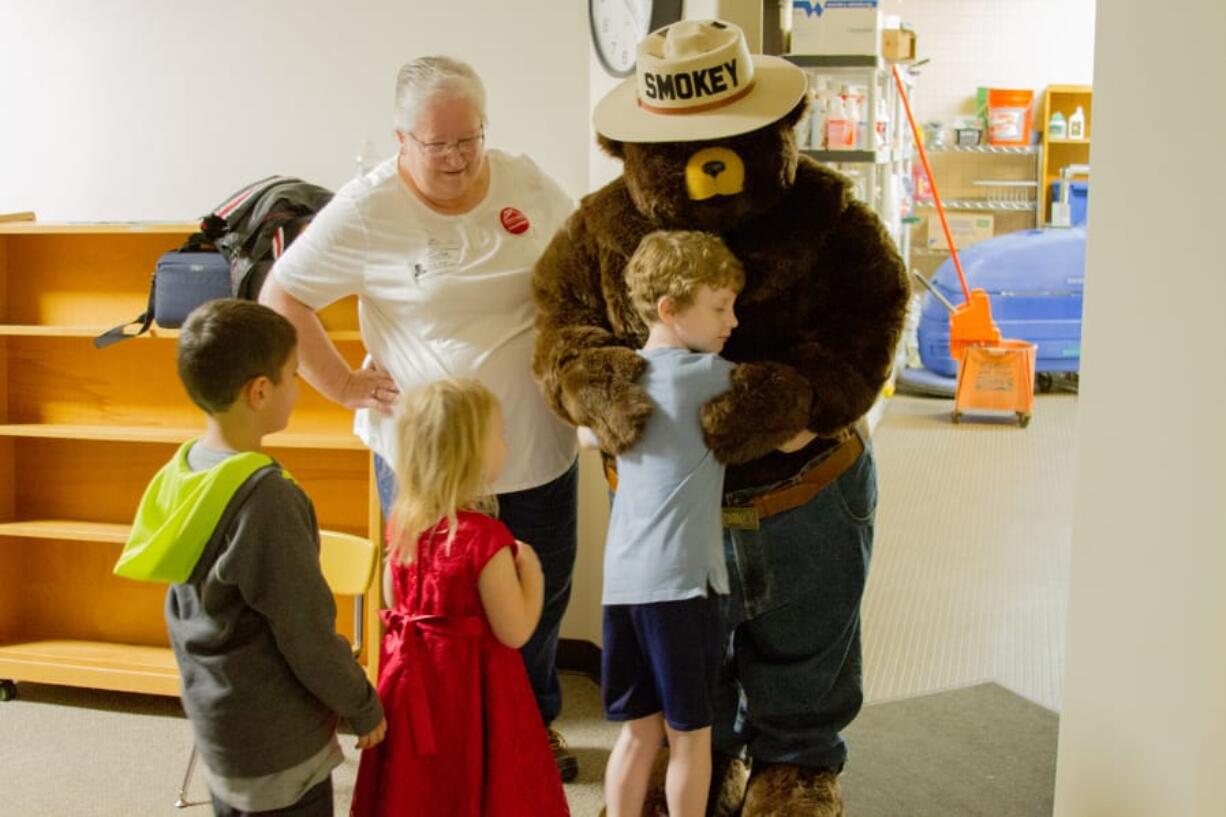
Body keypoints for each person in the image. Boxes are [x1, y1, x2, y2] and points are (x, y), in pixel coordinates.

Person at [260, 55, 581, 779]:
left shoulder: (525, 181)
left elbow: (586, 258)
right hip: (429, 462)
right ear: (400, 138)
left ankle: (532, 724)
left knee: (539, 590)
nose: (459, 159)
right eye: (438, 145)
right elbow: (284, 295)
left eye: (471, 138)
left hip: (533, 444)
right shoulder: (368, 208)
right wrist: (342, 383)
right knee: (437, 615)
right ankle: (441, 739)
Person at [118, 299, 386, 817]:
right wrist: (361, 704)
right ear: (260, 392)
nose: (298, 387)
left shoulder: (187, 469)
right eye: (293, 375)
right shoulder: (266, 497)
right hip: (277, 741)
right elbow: (305, 630)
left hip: (220, 726)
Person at [350, 379, 570, 817]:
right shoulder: (486, 541)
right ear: (470, 453)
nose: (506, 444)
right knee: (477, 775)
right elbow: (515, 631)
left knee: (416, 782)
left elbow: (395, 604)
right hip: (472, 692)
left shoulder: (403, 529)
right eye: (499, 435)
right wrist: (534, 576)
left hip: (411, 687)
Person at [584, 231, 746, 817]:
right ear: (670, 310)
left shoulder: (619, 382)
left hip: (624, 584)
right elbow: (794, 421)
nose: (732, 321)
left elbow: (585, 432)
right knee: (691, 739)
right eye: (720, 306)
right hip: (683, 589)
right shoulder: (712, 379)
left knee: (635, 735)